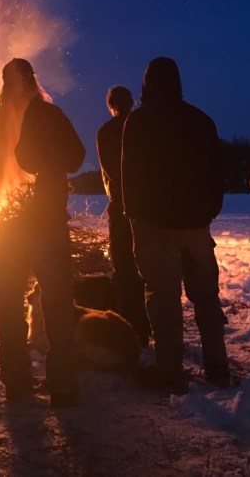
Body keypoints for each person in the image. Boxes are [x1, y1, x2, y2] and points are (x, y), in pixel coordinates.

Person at [0, 58, 86, 407]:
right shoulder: (51, 115)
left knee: (9, 303)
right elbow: (76, 158)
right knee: (57, 303)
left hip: (9, 223)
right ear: (32, 81)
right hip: (45, 223)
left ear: (6, 84)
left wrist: (6, 175)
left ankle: (17, 382)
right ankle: (62, 385)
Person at [121, 57, 229, 392]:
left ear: (147, 84)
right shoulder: (201, 121)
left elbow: (129, 172)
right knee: (206, 295)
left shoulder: (139, 121)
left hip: (156, 224)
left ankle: (168, 369)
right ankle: (218, 365)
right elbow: (217, 172)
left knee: (163, 296)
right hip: (196, 225)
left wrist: (133, 212)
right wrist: (209, 210)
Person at [96, 86, 150, 346]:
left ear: (111, 106)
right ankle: (154, 324)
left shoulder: (106, 131)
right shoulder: (145, 127)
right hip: (149, 207)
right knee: (149, 266)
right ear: (131, 102)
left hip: (121, 208)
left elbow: (111, 170)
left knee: (125, 267)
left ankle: (135, 326)